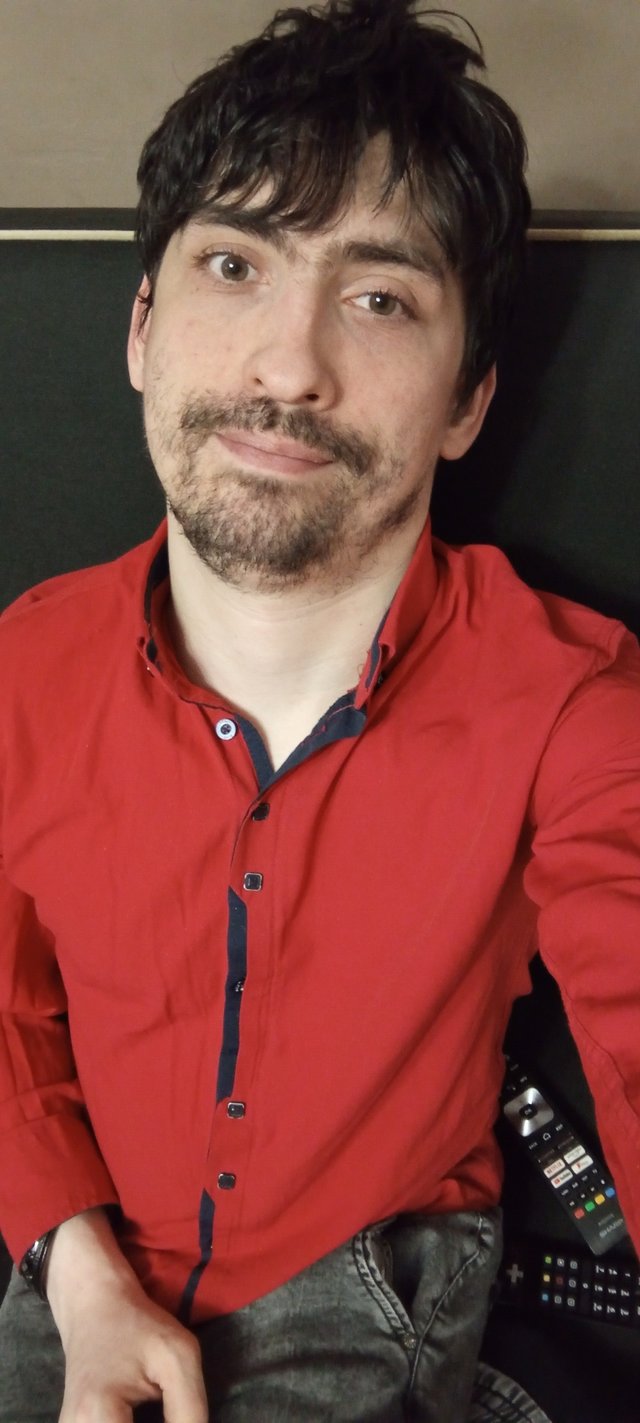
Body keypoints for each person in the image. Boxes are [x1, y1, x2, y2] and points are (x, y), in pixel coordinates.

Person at [0, 0, 638, 1419]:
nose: (289, 366)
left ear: (469, 400)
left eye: (380, 298)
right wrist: (77, 1270)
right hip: (65, 1275)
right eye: (235, 265)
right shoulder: (19, 670)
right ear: (141, 328)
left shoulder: (576, 706)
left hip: (384, 1294)